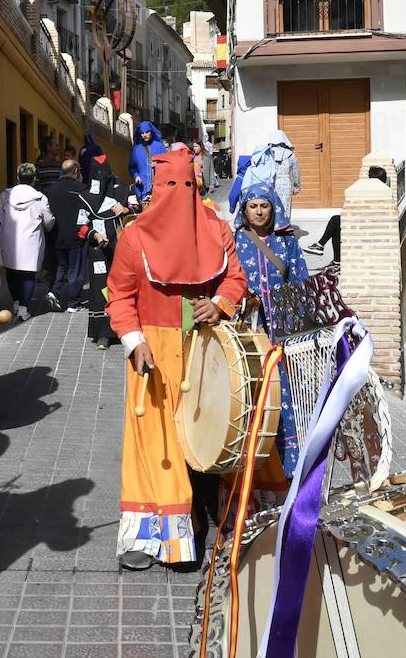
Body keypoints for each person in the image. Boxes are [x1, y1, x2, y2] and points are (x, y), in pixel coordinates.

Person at [106, 149, 247, 569]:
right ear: (155, 188)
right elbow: (120, 295)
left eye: (188, 185)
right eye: (171, 185)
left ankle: (218, 520)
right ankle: (160, 538)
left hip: (207, 349)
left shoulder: (217, 229)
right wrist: (134, 341)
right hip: (154, 356)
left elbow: (235, 277)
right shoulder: (134, 237)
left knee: (214, 432)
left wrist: (220, 303)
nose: (180, 193)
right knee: (157, 444)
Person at [233, 180, 309, 479]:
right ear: (245, 209)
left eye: (265, 206)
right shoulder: (235, 241)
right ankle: (252, 469)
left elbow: (300, 281)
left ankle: (288, 466)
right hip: (248, 331)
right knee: (251, 393)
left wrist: (299, 324)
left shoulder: (287, 241)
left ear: (273, 208)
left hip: (282, 332)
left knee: (284, 393)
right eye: (253, 206)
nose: (260, 212)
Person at [0, 163, 55, 320]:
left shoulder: (6, 195)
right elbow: (48, 222)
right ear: (35, 179)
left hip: (8, 240)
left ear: (18, 177)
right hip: (31, 241)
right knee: (28, 274)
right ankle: (24, 309)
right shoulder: (40, 198)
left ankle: (17, 303)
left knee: (11, 271)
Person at [80, 153, 132, 349]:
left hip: (122, 250)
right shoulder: (84, 198)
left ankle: (125, 329)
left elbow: (138, 209)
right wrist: (94, 235)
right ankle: (104, 333)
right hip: (98, 253)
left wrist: (126, 210)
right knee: (100, 289)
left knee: (123, 287)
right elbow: (81, 226)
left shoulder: (123, 190)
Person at [306, 167, 386, 262]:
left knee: (336, 220)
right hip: (363, 221)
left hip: (368, 226)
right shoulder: (379, 190)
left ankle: (321, 246)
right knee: (337, 227)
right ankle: (335, 260)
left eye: (369, 177)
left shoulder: (378, 192)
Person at [43, 159, 90, 312]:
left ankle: (54, 292)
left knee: (60, 267)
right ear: (75, 170)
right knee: (75, 270)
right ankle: (72, 303)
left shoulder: (50, 190)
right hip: (77, 236)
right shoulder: (82, 189)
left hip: (56, 235)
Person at [242, 131, 301, 215]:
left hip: (269, 182)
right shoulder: (290, 154)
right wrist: (296, 186)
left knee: (271, 207)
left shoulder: (266, 152)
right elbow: (295, 171)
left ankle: (272, 226)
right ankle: (284, 226)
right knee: (285, 208)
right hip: (285, 183)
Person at [129, 120, 166, 202]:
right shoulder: (136, 149)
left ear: (151, 132)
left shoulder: (159, 147)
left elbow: (166, 164)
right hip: (142, 188)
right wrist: (136, 176)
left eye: (147, 132)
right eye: (142, 133)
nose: (145, 135)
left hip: (158, 187)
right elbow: (132, 167)